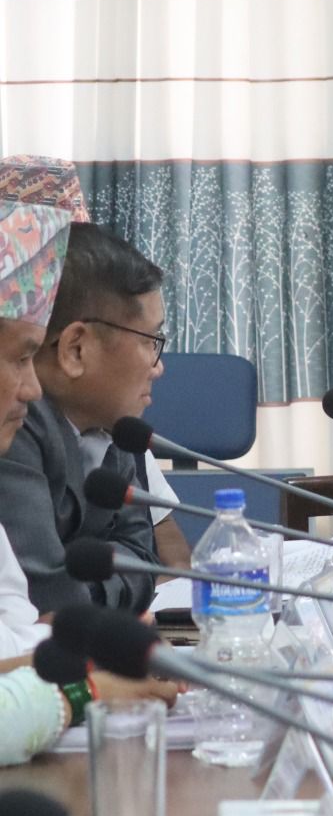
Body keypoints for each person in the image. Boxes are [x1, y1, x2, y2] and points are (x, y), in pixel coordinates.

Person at [0, 197, 176, 765]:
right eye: (21, 359)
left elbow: (22, 634)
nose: (31, 388)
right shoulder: (18, 434)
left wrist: (96, 648)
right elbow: (50, 603)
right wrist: (91, 682)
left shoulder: (113, 427)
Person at [0, 219, 167, 613]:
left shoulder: (111, 421)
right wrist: (101, 593)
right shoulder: (14, 420)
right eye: (151, 341)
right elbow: (50, 597)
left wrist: (85, 589)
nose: (158, 367)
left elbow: (144, 559)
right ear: (75, 349)